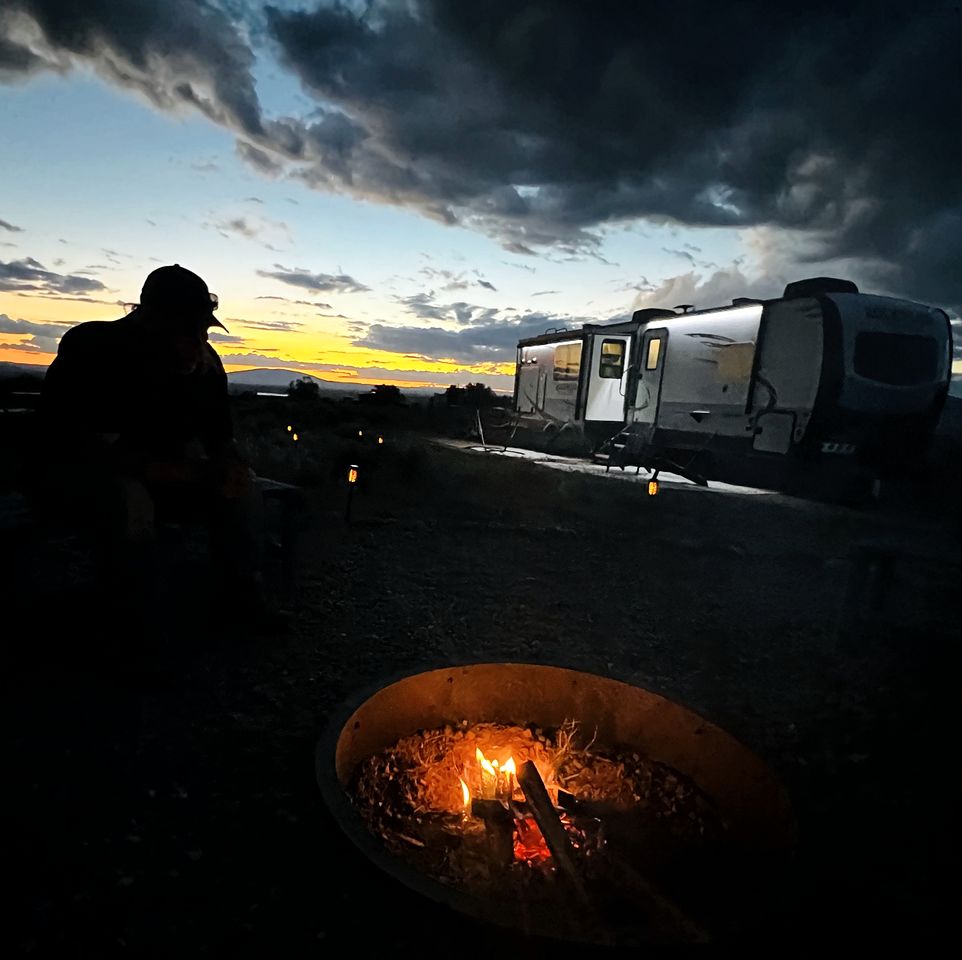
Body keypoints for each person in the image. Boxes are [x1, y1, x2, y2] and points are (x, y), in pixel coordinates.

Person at [35, 264, 284, 651]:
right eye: (188, 328)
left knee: (243, 491)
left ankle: (241, 596)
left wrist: (231, 468)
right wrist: (188, 474)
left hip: (166, 476)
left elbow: (219, 437)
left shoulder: (205, 365)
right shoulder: (94, 348)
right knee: (129, 500)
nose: (199, 338)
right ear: (149, 320)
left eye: (202, 329)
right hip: (76, 475)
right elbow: (90, 447)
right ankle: (131, 634)